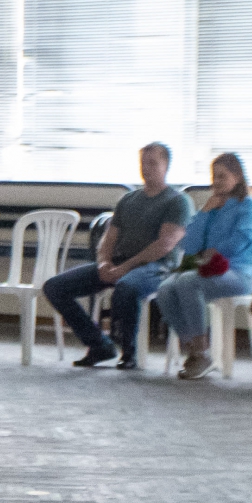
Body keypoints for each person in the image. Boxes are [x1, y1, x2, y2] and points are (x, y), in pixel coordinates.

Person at [43, 142, 194, 370]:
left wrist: (125, 268)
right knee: (55, 287)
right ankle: (99, 344)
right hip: (119, 262)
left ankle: (128, 352)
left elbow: (165, 244)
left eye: (153, 163)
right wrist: (104, 262)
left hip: (158, 267)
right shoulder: (128, 200)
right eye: (143, 163)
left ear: (166, 166)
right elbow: (109, 237)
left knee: (127, 287)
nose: (146, 168)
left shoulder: (177, 201)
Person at [153, 152, 252, 380]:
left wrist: (213, 252)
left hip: (238, 273)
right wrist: (205, 210)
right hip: (207, 271)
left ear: (237, 177)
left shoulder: (248, 204)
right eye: (214, 176)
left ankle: (202, 351)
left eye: (223, 176)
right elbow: (189, 245)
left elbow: (241, 240)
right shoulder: (213, 205)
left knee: (187, 282)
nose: (217, 181)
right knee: (164, 289)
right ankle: (195, 349)